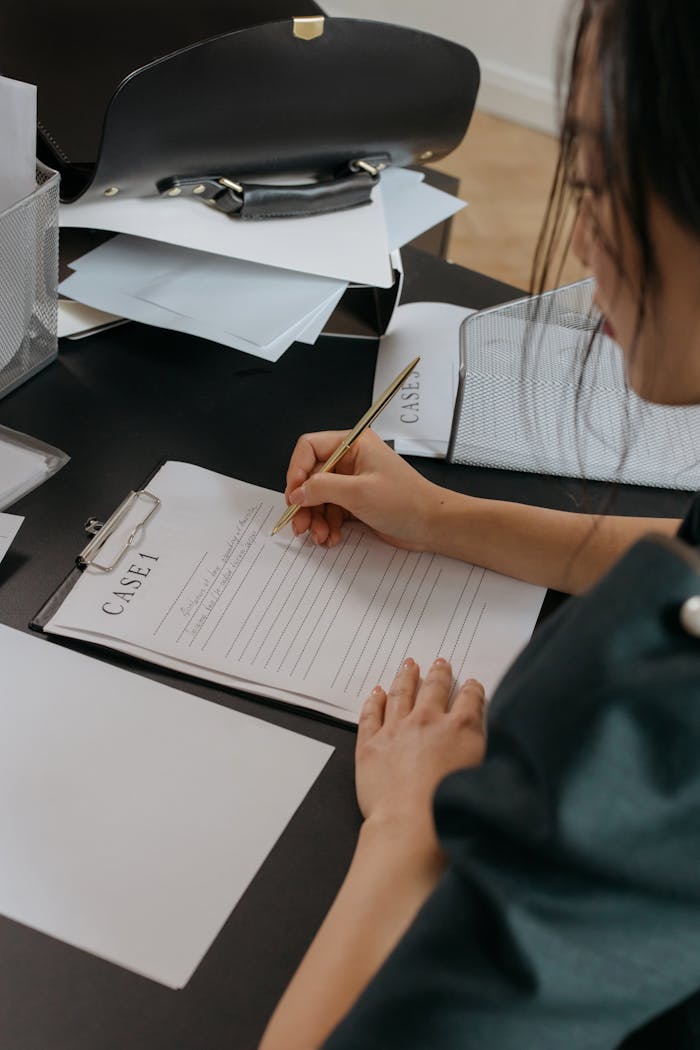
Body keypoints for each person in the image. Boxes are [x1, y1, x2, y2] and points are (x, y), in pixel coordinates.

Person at [260, 1, 700, 1047]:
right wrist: (440, 516)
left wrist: (413, 824)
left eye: (593, 184)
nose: (582, 243)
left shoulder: (653, 774)